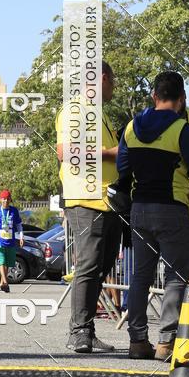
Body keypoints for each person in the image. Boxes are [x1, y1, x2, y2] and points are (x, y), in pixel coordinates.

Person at [117, 71, 189, 360]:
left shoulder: (130, 128)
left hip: (139, 210)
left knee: (140, 275)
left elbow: (123, 170)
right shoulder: (182, 130)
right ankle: (166, 343)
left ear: (154, 97)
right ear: (181, 100)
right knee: (176, 277)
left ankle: (137, 341)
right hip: (173, 209)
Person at [55, 61, 120, 353]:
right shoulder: (76, 110)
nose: (114, 87)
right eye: (113, 81)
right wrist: (110, 153)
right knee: (90, 265)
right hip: (86, 199)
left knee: (101, 266)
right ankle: (78, 331)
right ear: (102, 79)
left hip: (108, 201)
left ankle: (86, 329)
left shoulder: (98, 114)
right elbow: (64, 152)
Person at [0, 189, 24, 292]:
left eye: (7, 199)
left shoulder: (14, 211)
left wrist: (21, 237)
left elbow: (19, 225)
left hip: (10, 242)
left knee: (7, 264)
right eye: (3, 199)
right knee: (1, 262)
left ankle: (1, 284)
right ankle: (6, 283)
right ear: (0, 199)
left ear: (10, 199)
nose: (5, 201)